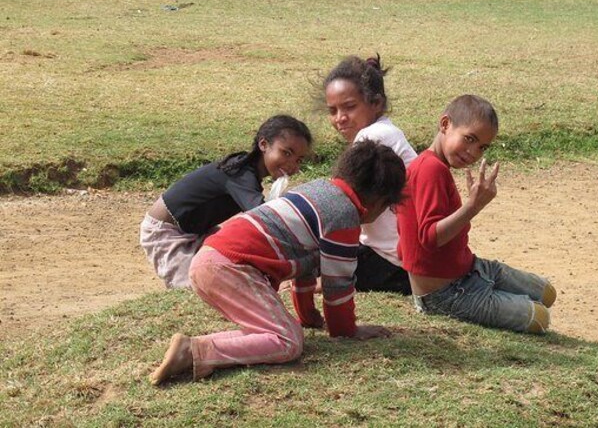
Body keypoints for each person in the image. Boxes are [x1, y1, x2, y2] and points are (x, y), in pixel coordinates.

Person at [149, 140, 407, 385]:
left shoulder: (318, 190)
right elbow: (337, 285)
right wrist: (346, 330)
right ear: (379, 201)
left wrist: (308, 317)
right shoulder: (344, 215)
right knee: (288, 342)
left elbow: (307, 269)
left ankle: (197, 349)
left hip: (209, 259)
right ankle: (195, 351)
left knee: (276, 331)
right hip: (231, 267)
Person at [396, 95, 557, 333]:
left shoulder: (436, 166)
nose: (473, 152)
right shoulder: (430, 169)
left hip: (470, 270)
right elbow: (430, 238)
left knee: (546, 292)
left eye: (482, 147)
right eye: (469, 139)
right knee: (538, 318)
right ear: (445, 124)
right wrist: (473, 206)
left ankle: (491, 290)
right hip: (445, 294)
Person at [140, 114, 313, 289]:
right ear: (263, 144)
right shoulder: (240, 175)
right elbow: (265, 217)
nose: (292, 164)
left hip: (198, 231)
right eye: (286, 153)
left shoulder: (246, 173)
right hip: (167, 232)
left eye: (299, 159)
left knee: (227, 270)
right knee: (195, 288)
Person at [323, 55, 417, 295]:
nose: (340, 118)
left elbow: (338, 202)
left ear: (376, 103)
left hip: (391, 261)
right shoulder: (387, 131)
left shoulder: (374, 137)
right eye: (333, 110)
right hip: (395, 256)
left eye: (349, 107)